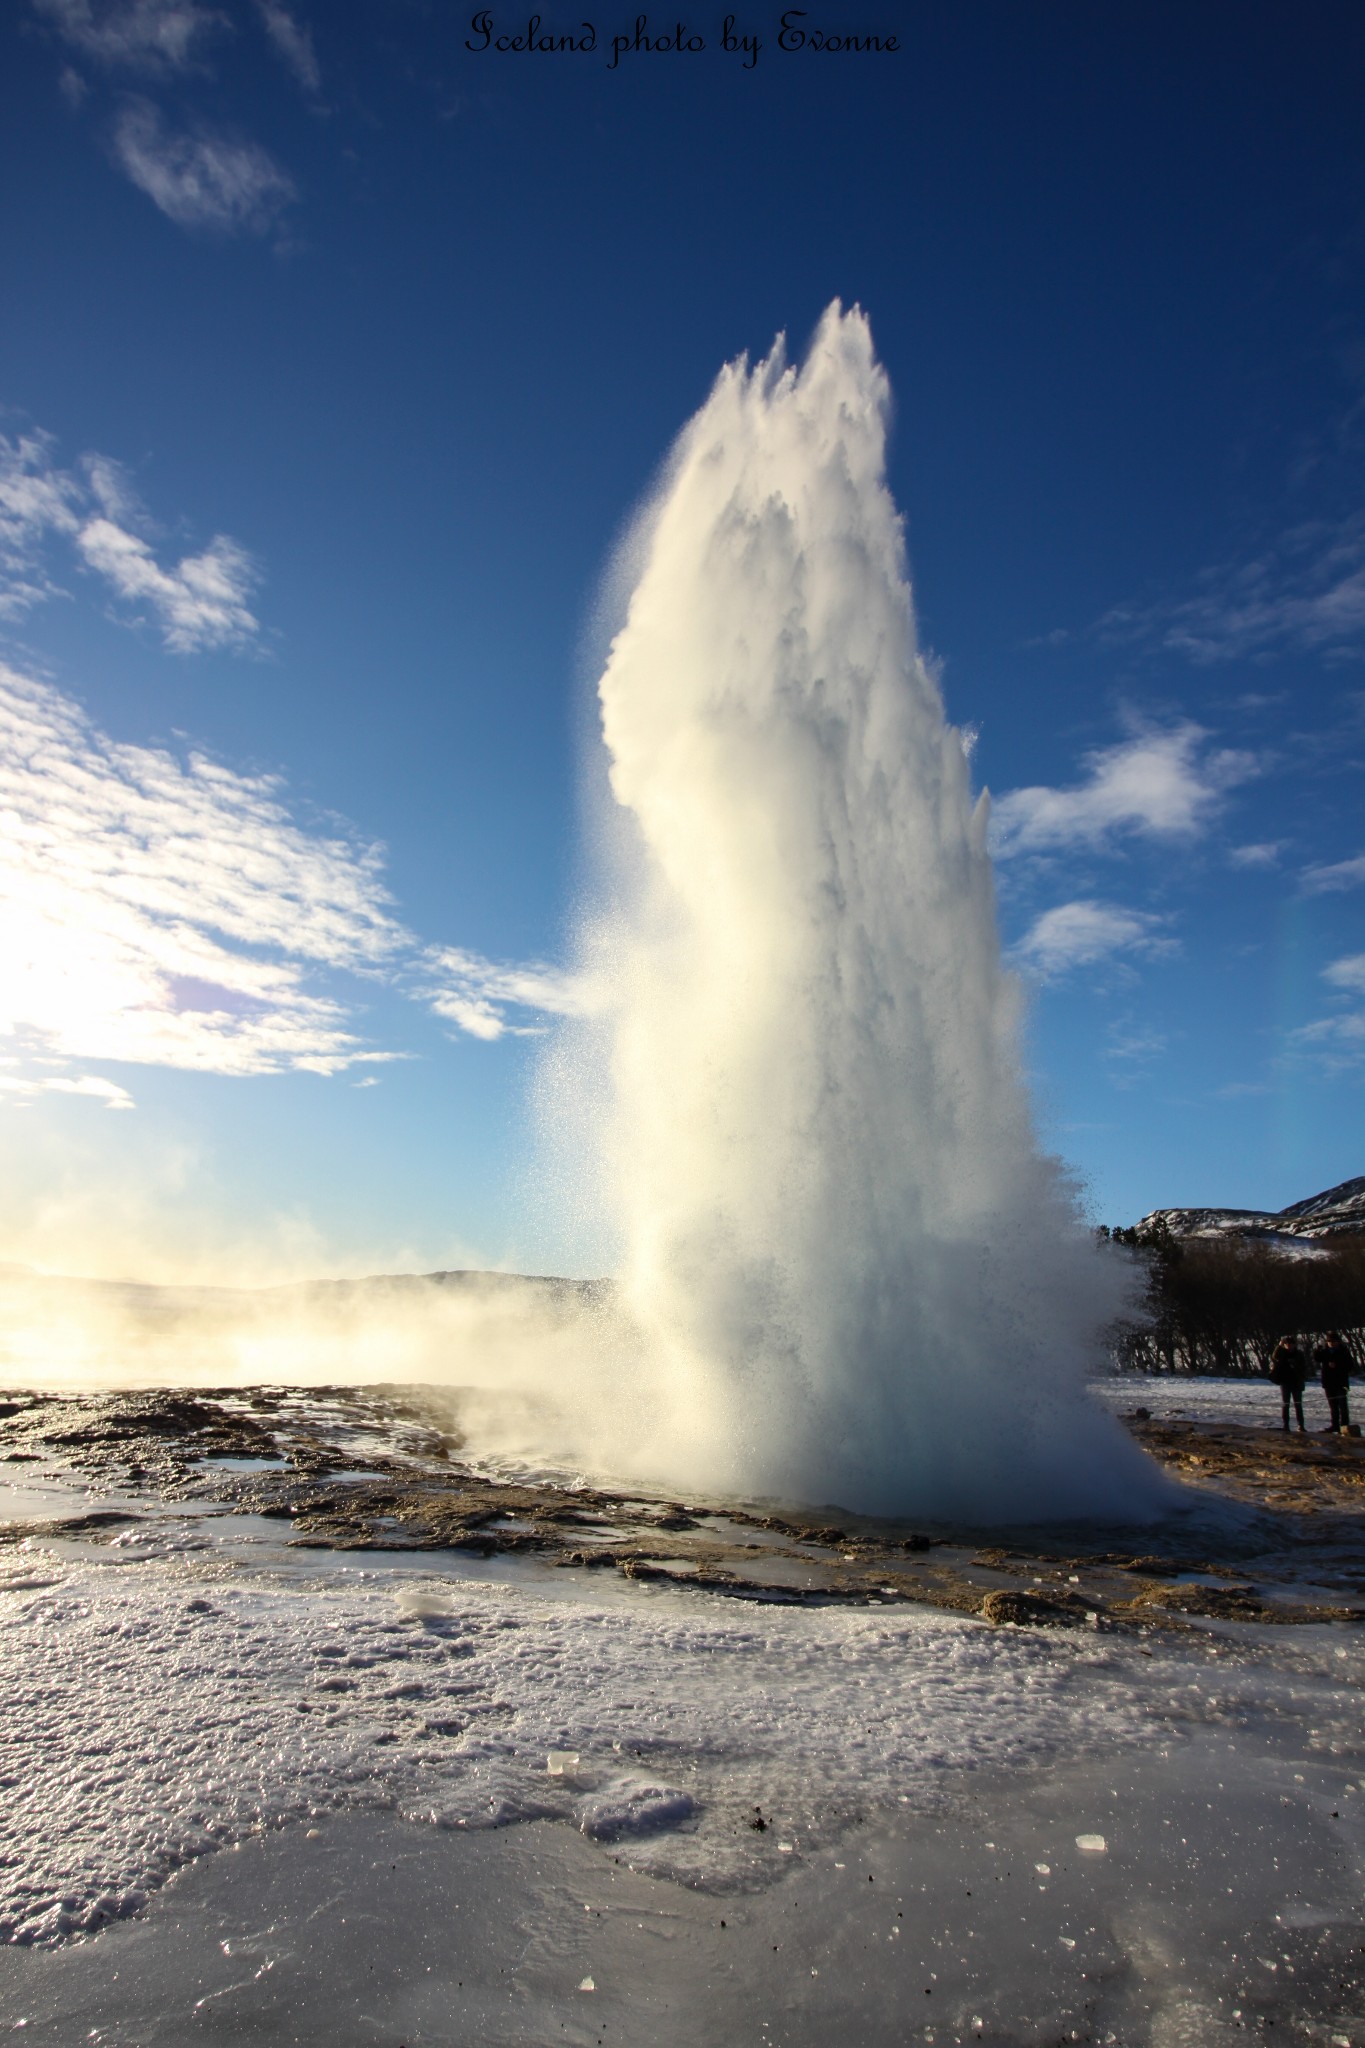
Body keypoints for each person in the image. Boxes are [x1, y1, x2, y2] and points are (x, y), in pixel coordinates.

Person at [1315, 1330, 1354, 1434]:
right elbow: (1317, 1358)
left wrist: (1337, 1365)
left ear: (1338, 1342)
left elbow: (1350, 1366)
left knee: (1342, 1405)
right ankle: (1335, 1426)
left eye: (1333, 1341)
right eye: (1329, 1341)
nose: (1331, 1343)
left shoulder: (1343, 1351)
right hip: (1328, 1383)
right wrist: (1317, 1350)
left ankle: (1344, 1426)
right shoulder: (1325, 1351)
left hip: (1341, 1382)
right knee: (1333, 1406)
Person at [1269, 1334, 1308, 1433]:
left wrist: (1297, 1368)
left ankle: (1301, 1425)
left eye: (1291, 1344)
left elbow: (1303, 1367)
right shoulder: (1282, 1353)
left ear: (1294, 1345)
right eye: (1287, 1344)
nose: (1289, 1346)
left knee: (1298, 1404)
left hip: (1296, 1381)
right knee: (1286, 1404)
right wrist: (1279, 1345)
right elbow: (1274, 1356)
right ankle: (1286, 1424)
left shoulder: (1299, 1354)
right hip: (1285, 1381)